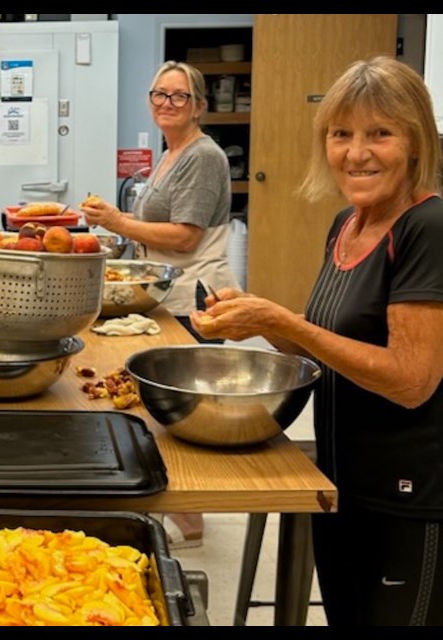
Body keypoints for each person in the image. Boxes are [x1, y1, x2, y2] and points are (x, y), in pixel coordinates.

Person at [191, 56, 443, 626]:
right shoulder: (347, 225)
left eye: (381, 133)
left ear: (416, 142)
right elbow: (328, 340)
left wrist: (285, 322)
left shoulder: (428, 227)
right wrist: (259, 323)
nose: (357, 153)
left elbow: (411, 380)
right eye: (341, 134)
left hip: (406, 498)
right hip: (338, 481)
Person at [81, 60, 241, 549]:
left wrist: (117, 221)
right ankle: (173, 505)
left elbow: (186, 237)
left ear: (199, 106)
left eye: (179, 96)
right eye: (159, 95)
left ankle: (189, 519)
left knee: (177, 407)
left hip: (190, 293)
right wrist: (117, 235)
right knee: (159, 399)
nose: (167, 104)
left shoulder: (203, 157)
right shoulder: (170, 155)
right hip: (164, 287)